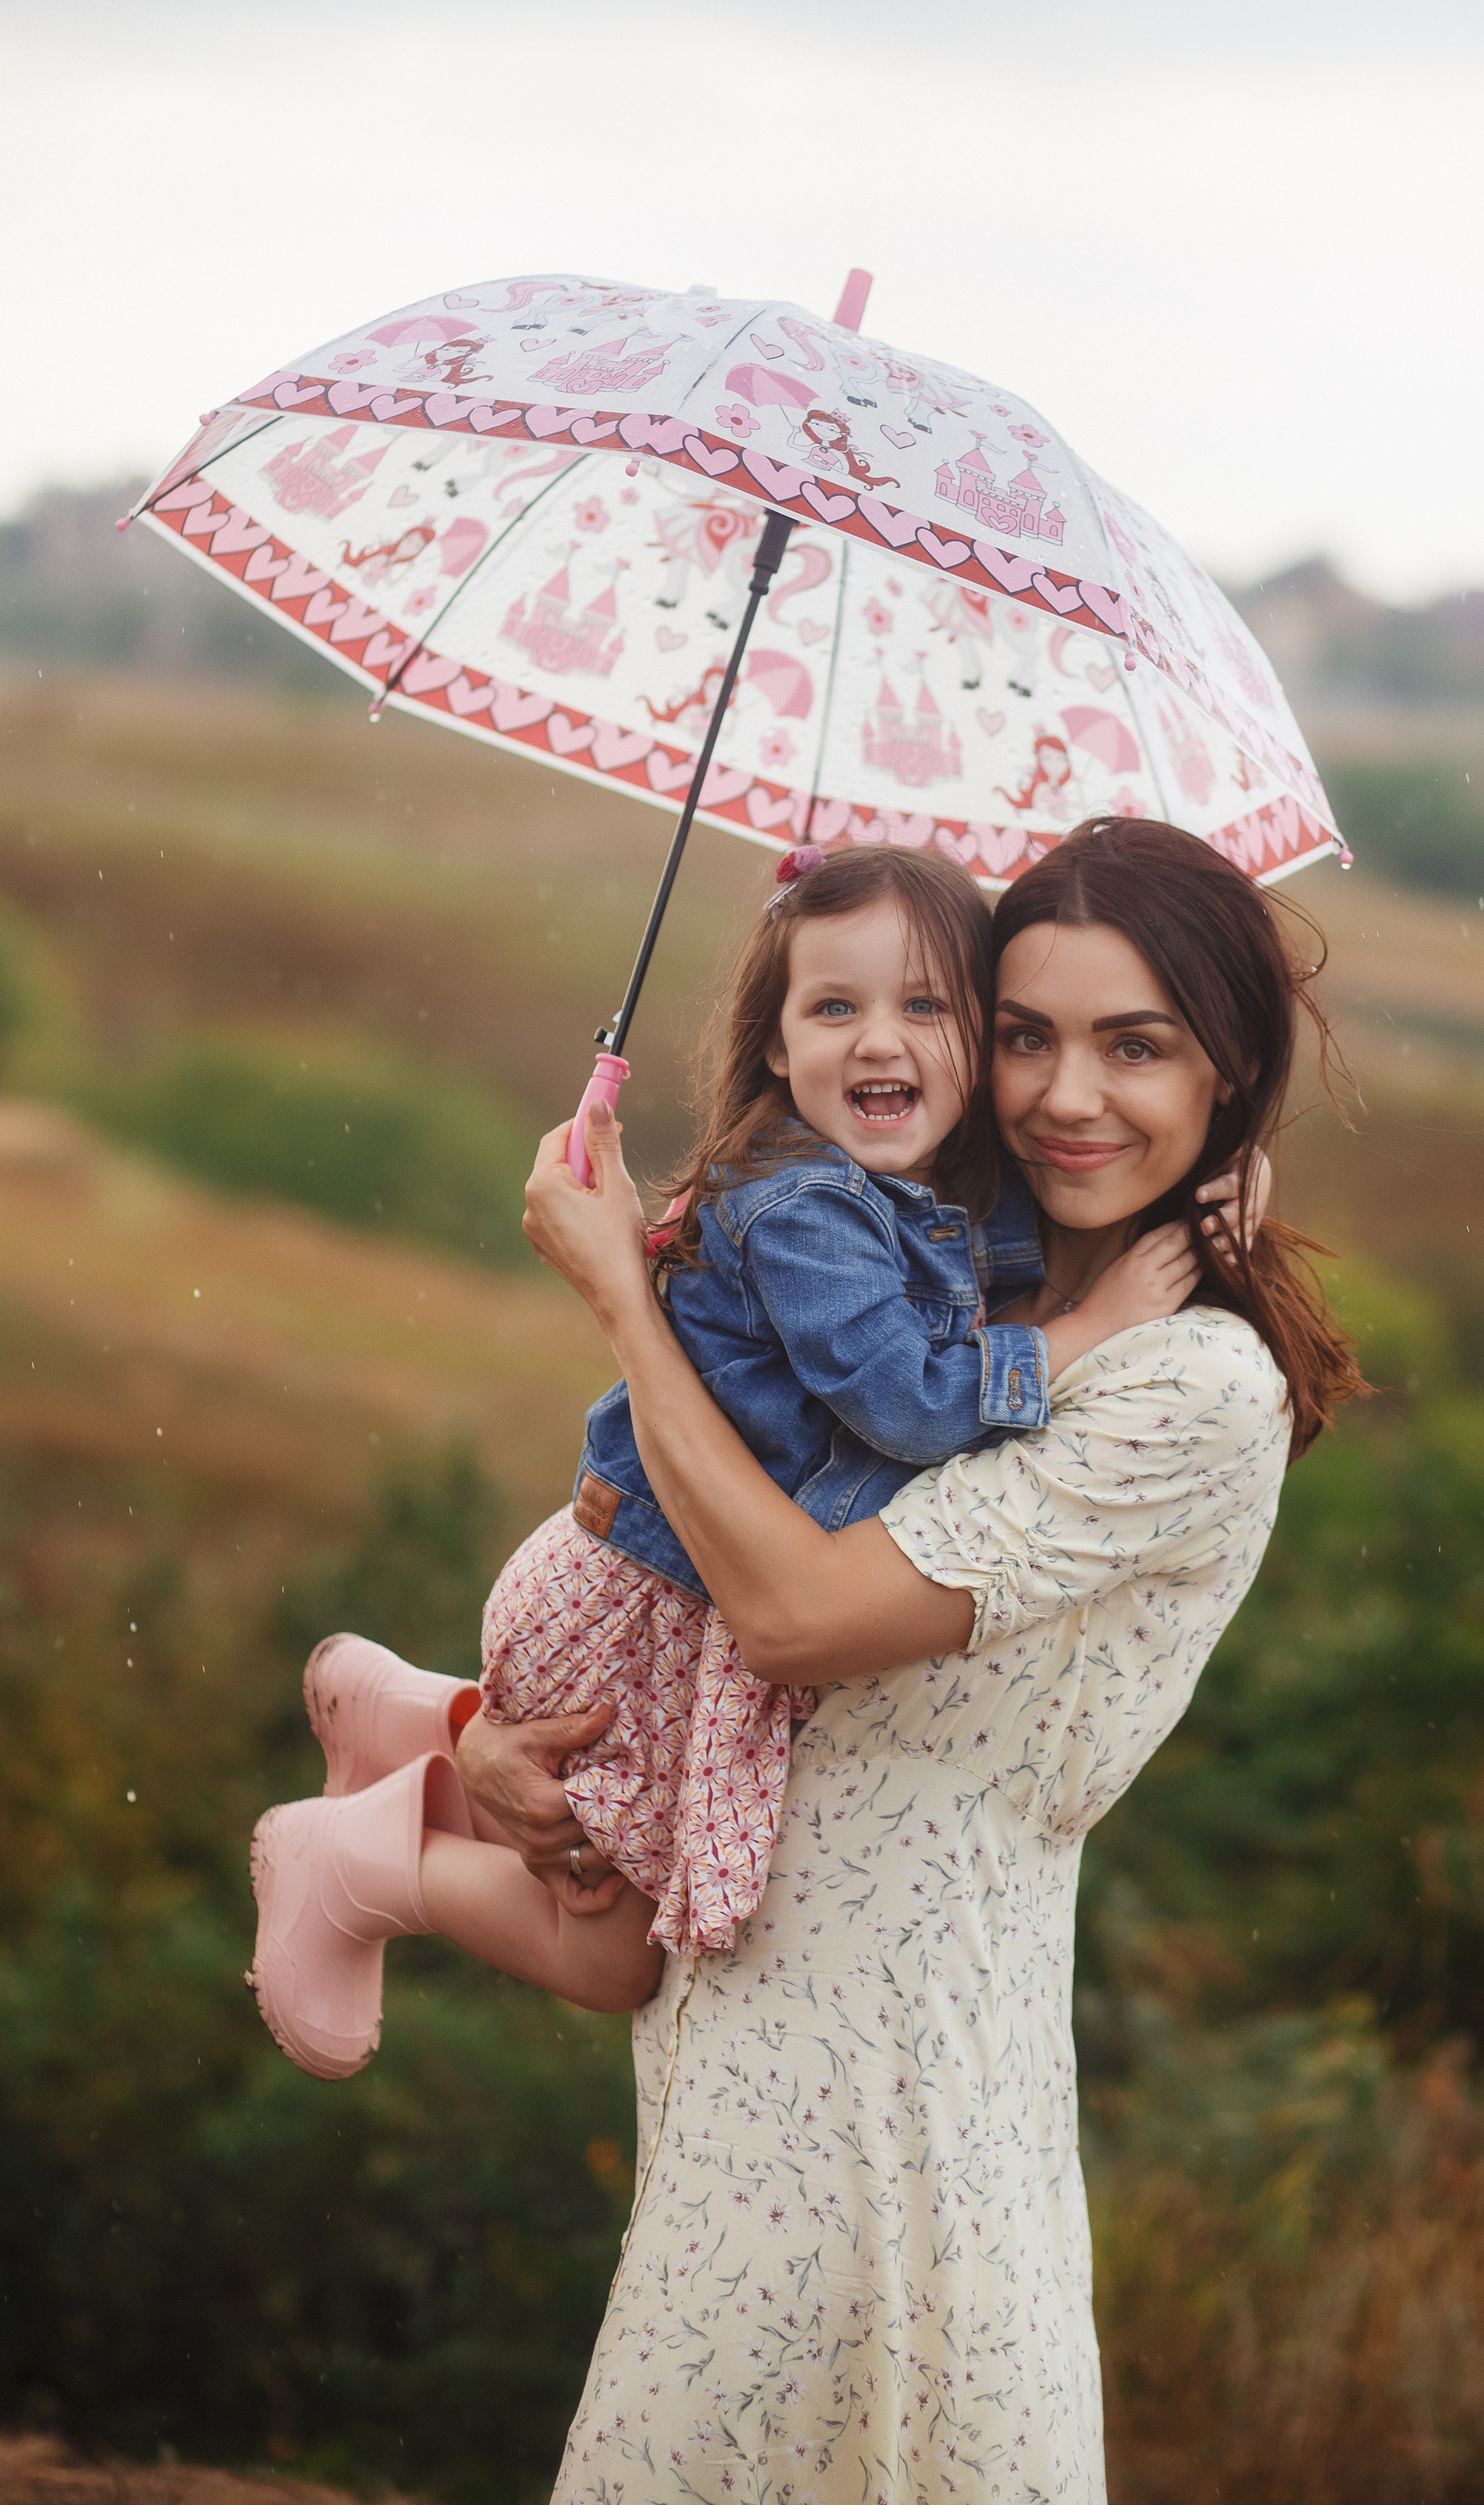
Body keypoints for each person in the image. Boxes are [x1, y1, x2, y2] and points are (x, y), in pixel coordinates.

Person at [483, 813, 1364, 2504]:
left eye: (1137, 1046)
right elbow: (674, 1599)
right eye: (1023, 1034)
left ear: (1230, 1073)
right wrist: (492, 1742)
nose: (1063, 1096)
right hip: (745, 2015)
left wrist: (619, 1302)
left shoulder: (1183, 1388)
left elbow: (794, 1616)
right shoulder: (950, 1296)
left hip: (903, 2061)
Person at [246, 842, 1196, 2079]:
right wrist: (1090, 1331)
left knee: (595, 1869)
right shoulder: (805, 1212)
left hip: (646, 1587)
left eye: (928, 1006)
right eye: (836, 1007)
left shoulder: (911, 1189)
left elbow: (1004, 1256)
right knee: (611, 1958)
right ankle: (360, 1863)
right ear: (775, 1045)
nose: (881, 1042)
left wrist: (1200, 1188)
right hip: (644, 1606)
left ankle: (403, 1714)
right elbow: (911, 1407)